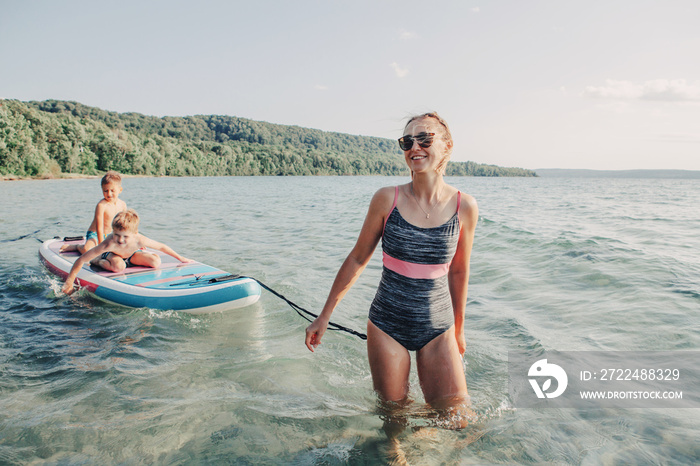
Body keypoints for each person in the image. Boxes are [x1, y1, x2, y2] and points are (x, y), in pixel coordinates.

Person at [305, 112, 478, 428]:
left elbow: (459, 272)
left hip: (438, 329)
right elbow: (358, 259)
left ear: (448, 146)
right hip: (388, 325)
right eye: (407, 141)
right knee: (394, 421)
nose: (415, 147)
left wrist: (459, 328)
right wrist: (324, 314)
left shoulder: (465, 206)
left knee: (458, 420)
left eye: (424, 139)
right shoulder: (387, 199)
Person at [61, 209, 193, 295]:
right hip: (112, 256)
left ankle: (139, 256)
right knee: (119, 267)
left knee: (155, 262)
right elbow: (81, 260)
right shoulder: (110, 242)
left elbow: (162, 247)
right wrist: (69, 282)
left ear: (135, 233)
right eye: (117, 234)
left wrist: (181, 258)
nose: (120, 240)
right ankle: (98, 261)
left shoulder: (139, 239)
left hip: (130, 256)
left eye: (125, 236)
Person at [60, 171, 127, 254]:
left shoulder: (123, 205)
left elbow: (125, 226)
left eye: (112, 190)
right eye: (105, 191)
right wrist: (102, 245)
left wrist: (135, 241)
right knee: (87, 250)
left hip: (112, 235)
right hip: (95, 234)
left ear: (120, 190)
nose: (109, 194)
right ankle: (78, 246)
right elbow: (99, 228)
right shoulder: (101, 205)